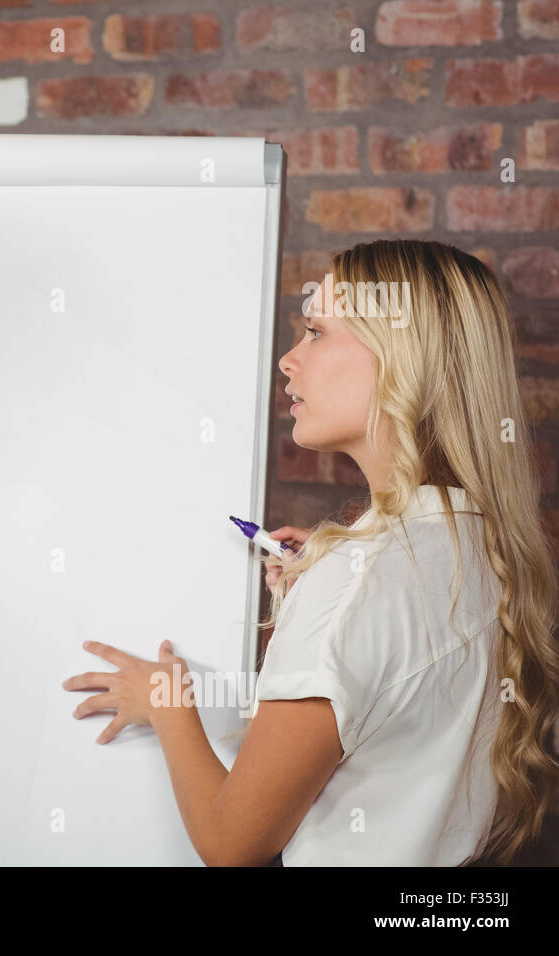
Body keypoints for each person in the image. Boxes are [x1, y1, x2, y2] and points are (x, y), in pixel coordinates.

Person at [64, 239, 557, 865]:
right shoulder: (480, 546)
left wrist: (168, 705)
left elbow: (231, 844)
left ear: (399, 359)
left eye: (316, 333)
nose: (288, 360)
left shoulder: (355, 586)